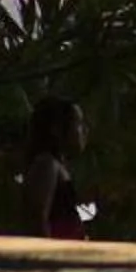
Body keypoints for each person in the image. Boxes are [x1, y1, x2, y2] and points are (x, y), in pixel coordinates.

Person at [18, 96, 87, 239]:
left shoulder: (55, 165)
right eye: (78, 123)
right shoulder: (46, 164)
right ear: (56, 129)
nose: (84, 130)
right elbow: (37, 219)